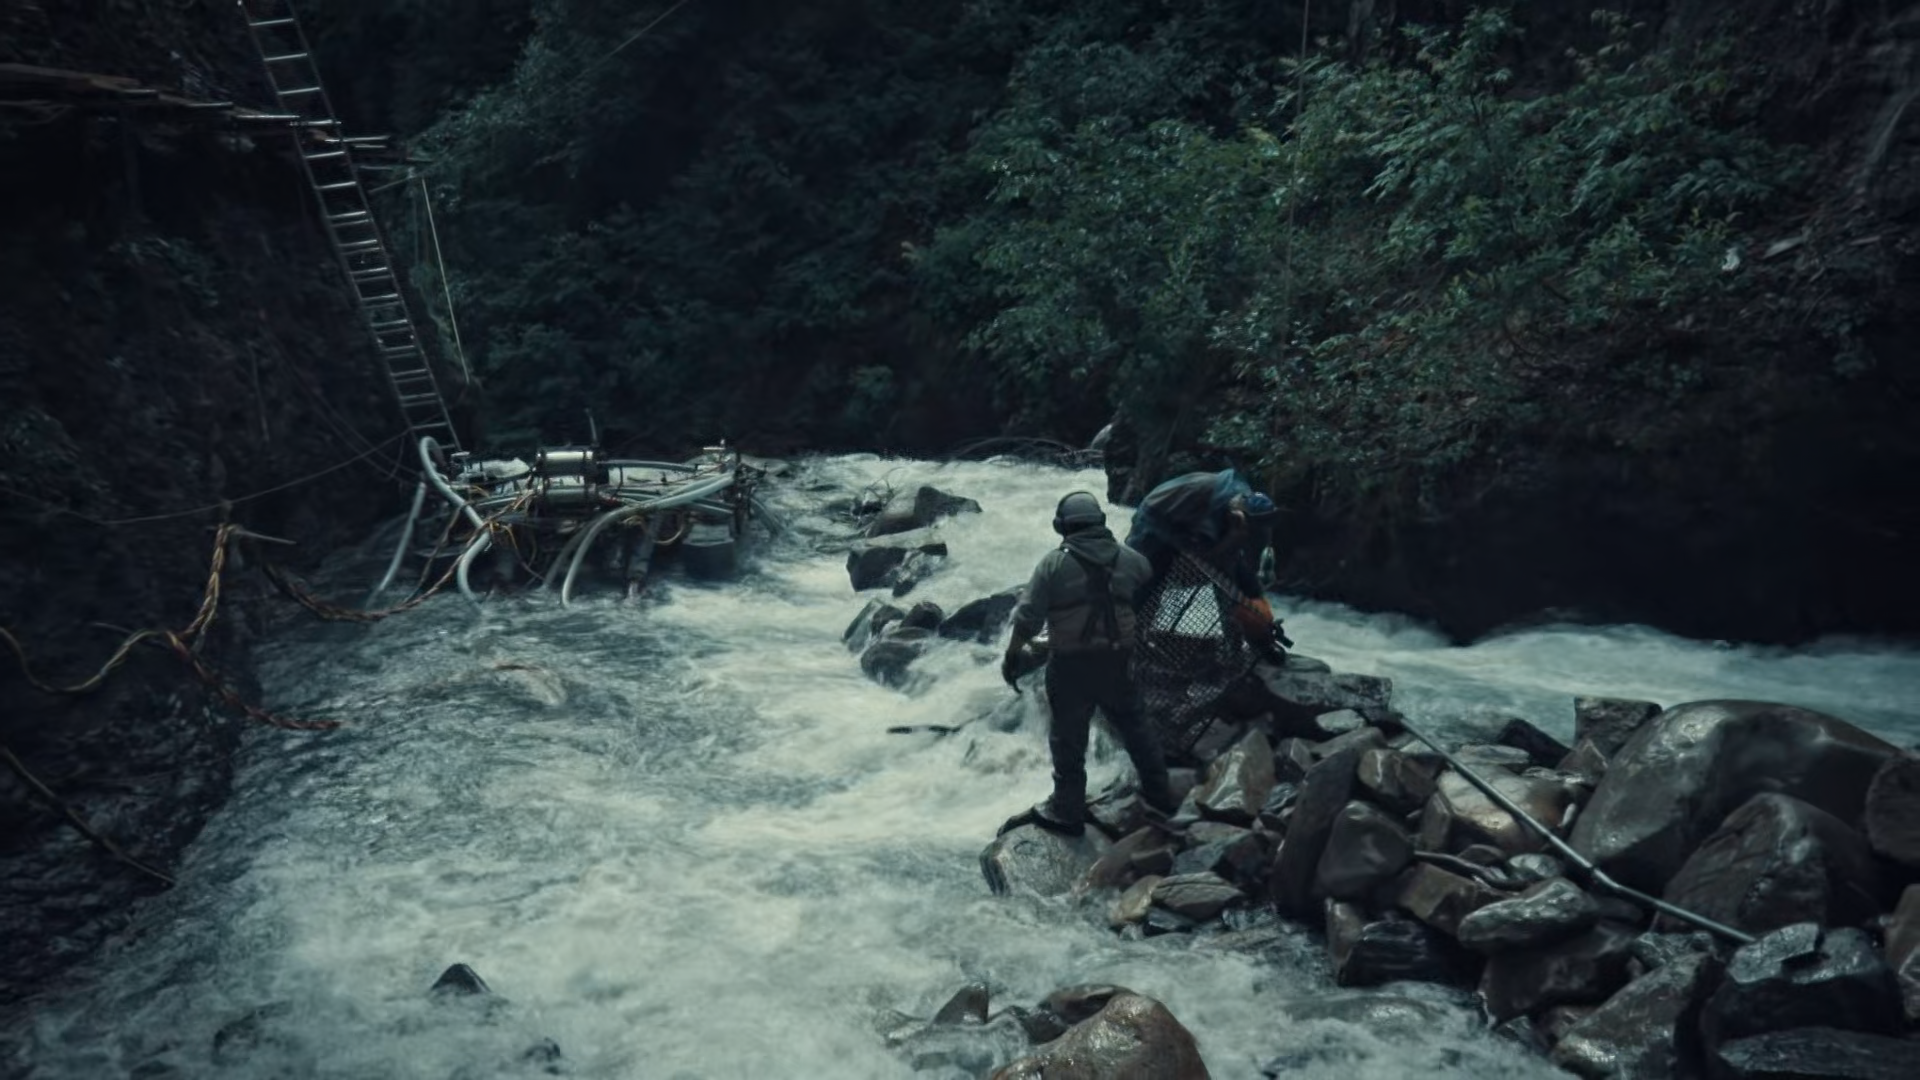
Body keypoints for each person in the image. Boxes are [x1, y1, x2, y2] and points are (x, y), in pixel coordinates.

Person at [997, 491, 1175, 838]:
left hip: (1071, 664)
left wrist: (1013, 654)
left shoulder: (1053, 564)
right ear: (1101, 522)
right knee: (1135, 725)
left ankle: (1067, 809)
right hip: (1118, 659)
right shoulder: (1131, 559)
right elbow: (1147, 576)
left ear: (1061, 526)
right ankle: (1160, 793)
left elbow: (1028, 617)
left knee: (1068, 736)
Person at [1124, 468, 1288, 657]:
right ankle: (1132, 638)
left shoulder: (1256, 516)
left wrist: (1258, 588)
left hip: (1195, 525)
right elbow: (1207, 557)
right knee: (1147, 579)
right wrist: (1228, 538)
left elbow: (1244, 564)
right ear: (1238, 516)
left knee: (1239, 585)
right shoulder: (1207, 502)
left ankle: (1251, 641)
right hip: (1156, 520)